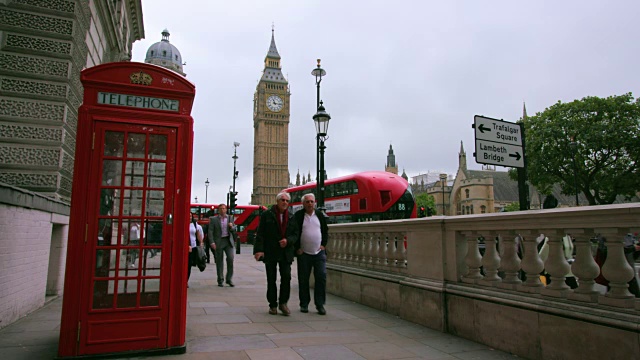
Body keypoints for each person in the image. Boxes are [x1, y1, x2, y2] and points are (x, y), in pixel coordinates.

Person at [253, 191, 299, 316]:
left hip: (285, 252)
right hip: (271, 251)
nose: (285, 202)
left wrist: (288, 241)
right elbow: (260, 234)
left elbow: (296, 234)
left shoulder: (291, 216)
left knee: (286, 278)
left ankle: (283, 303)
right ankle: (272, 304)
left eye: (287, 201)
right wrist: (258, 250)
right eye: (282, 200)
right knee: (271, 279)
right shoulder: (267, 215)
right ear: (277, 201)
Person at [294, 193, 329, 315]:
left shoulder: (319, 215)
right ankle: (304, 304)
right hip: (304, 253)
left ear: (315, 203)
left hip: (319, 253)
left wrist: (323, 245)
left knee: (321, 277)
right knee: (303, 280)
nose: (310, 204)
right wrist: (297, 248)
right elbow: (294, 232)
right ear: (303, 204)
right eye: (307, 202)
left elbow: (325, 231)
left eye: (312, 201)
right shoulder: (298, 216)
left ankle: (320, 304)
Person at [209, 204, 237, 287]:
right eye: (221, 208)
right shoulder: (213, 219)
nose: (222, 210)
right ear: (218, 210)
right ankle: (220, 279)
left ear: (226, 210)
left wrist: (231, 227)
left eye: (224, 208)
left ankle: (229, 279)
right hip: (219, 241)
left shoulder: (230, 218)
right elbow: (210, 231)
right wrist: (212, 242)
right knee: (219, 261)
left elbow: (234, 228)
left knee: (230, 259)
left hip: (228, 241)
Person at [188, 210, 204, 287]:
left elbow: (199, 235)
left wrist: (201, 243)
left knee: (189, 265)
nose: (189, 217)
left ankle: (185, 281)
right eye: (188, 216)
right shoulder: (181, 224)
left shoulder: (195, 225)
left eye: (191, 216)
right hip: (184, 248)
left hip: (193, 247)